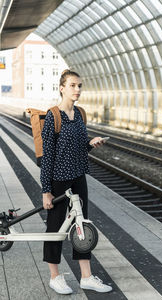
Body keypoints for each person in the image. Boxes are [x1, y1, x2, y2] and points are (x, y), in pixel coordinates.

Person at [40, 69, 112, 295]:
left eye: (79, 85)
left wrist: (92, 144)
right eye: (72, 85)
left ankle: (87, 277)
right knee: (55, 228)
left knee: (83, 228)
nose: (77, 90)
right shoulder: (53, 115)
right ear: (62, 88)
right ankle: (55, 277)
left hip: (79, 178)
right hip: (59, 181)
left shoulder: (80, 114)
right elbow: (48, 156)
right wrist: (46, 191)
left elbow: (81, 148)